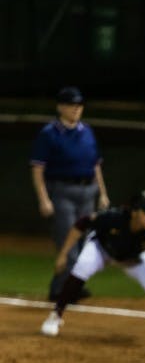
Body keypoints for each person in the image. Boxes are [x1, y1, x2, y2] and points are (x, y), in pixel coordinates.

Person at [40, 190, 145, 338]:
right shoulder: (113, 217)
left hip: (132, 258)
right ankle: (56, 315)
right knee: (82, 268)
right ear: (134, 212)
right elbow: (82, 223)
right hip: (102, 249)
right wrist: (63, 254)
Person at [30, 86, 111, 302]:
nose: (76, 109)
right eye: (71, 105)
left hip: (88, 192)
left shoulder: (87, 132)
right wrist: (43, 198)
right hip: (62, 192)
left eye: (79, 105)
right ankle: (65, 290)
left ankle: (63, 287)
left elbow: (96, 166)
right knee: (68, 243)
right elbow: (38, 169)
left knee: (85, 245)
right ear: (60, 107)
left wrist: (102, 193)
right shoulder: (49, 133)